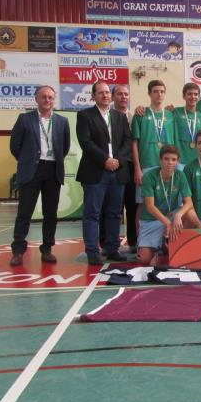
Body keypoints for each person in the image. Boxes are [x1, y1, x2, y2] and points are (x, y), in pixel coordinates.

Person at [9, 85, 71, 266]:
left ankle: (47, 249)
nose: (47, 100)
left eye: (50, 97)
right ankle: (18, 251)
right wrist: (26, 160)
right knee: (24, 212)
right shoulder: (24, 119)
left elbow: (64, 147)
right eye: (43, 97)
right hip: (31, 171)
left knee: (50, 213)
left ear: (54, 100)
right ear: (36, 99)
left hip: (52, 170)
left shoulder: (62, 121)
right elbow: (15, 145)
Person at [76, 81, 132, 265]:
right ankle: (92, 251)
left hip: (117, 171)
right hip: (95, 172)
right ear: (93, 96)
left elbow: (126, 141)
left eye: (108, 92)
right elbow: (86, 142)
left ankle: (112, 248)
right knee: (92, 213)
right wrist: (105, 160)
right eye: (101, 93)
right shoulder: (85, 116)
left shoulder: (119, 116)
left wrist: (116, 160)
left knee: (114, 213)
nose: (105, 95)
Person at [138, 145, 197, 265]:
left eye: (174, 159)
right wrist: (167, 223)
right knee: (145, 260)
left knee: (189, 213)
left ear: (178, 161)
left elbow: (189, 202)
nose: (170, 162)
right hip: (151, 220)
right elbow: (149, 206)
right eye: (166, 159)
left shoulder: (180, 175)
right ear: (160, 160)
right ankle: (161, 248)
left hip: (170, 216)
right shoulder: (149, 176)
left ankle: (172, 247)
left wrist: (178, 215)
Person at [99, 84, 137, 253]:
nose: (123, 97)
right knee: (111, 208)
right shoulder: (106, 117)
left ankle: (134, 242)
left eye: (126, 94)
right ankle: (106, 243)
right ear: (113, 97)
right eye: (119, 94)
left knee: (132, 206)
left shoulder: (135, 117)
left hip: (131, 167)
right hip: (112, 166)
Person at [132, 80, 176, 201]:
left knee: (166, 202)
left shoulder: (171, 115)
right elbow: (134, 144)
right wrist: (137, 168)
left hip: (168, 165)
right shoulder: (140, 115)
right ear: (149, 93)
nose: (159, 94)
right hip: (147, 164)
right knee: (143, 204)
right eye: (155, 91)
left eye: (162, 92)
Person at [173, 82, 201, 167]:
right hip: (179, 160)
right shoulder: (175, 112)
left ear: (199, 97)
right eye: (189, 94)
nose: (193, 97)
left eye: (195, 94)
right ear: (184, 96)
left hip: (197, 159)